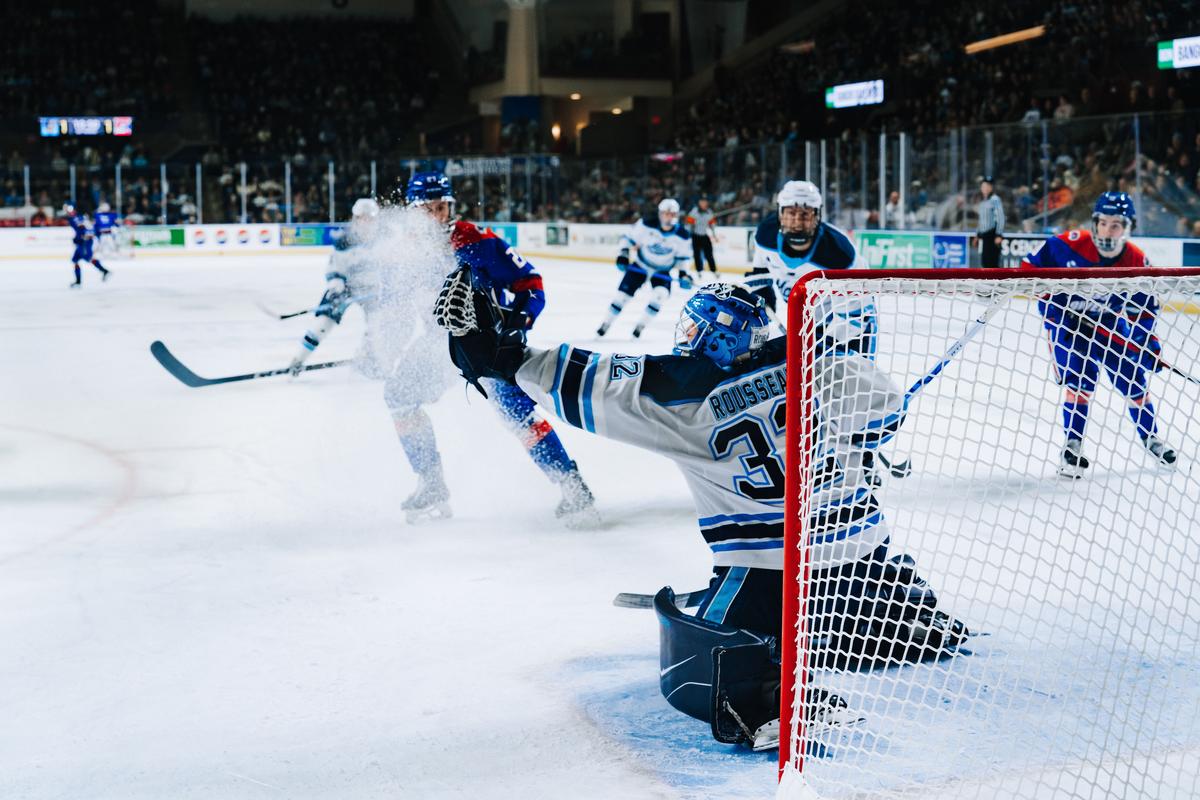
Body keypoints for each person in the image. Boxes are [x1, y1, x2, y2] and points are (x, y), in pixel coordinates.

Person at [437, 279, 969, 748]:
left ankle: (773, 700)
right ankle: (909, 615)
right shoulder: (821, 360)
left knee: (702, 671)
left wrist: (495, 353)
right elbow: (883, 421)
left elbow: (570, 379)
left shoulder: (682, 397)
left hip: (771, 576)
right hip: (865, 561)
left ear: (709, 336)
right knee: (896, 619)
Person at [409, 171, 599, 525]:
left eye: (441, 207)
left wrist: (517, 326)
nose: (436, 215)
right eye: (427, 209)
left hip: (483, 346)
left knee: (516, 413)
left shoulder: (474, 239)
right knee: (400, 396)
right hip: (437, 348)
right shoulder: (405, 248)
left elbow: (531, 283)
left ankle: (572, 486)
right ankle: (431, 484)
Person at [289, 196, 457, 522]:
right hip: (349, 290)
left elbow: (397, 282)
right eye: (361, 218)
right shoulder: (345, 239)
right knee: (324, 320)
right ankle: (299, 356)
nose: (366, 222)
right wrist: (337, 286)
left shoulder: (387, 238)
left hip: (376, 296)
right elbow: (335, 269)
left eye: (370, 217)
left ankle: (372, 355)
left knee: (379, 327)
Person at [1021, 191, 1177, 477]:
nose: (1107, 230)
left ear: (1127, 227)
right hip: (1068, 325)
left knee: (1133, 380)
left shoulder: (1135, 258)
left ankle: (1151, 437)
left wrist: (1147, 344)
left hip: (1108, 323)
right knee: (1081, 380)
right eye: (1102, 222)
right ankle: (1072, 445)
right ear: (1093, 222)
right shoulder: (1066, 245)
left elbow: (1144, 309)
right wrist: (1055, 310)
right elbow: (1029, 270)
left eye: (1115, 224)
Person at [745, 180, 876, 356]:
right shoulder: (765, 234)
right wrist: (763, 297)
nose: (797, 222)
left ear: (817, 216)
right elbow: (759, 272)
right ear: (780, 213)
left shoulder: (840, 253)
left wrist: (821, 347)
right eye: (791, 213)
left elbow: (856, 317)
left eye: (805, 214)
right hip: (804, 325)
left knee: (852, 382)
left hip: (850, 330)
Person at [595, 198, 695, 339]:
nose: (669, 216)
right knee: (621, 297)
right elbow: (628, 238)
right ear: (660, 214)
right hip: (641, 265)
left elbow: (683, 258)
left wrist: (684, 274)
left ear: (677, 215)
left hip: (662, 271)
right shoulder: (645, 225)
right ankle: (605, 324)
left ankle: (639, 328)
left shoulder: (683, 235)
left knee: (659, 296)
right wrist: (623, 254)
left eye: (672, 214)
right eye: (666, 213)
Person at [65, 203, 110, 288]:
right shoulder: (76, 218)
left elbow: (87, 229)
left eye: (69, 209)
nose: (68, 211)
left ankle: (104, 271)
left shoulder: (78, 218)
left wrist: (84, 237)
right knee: (75, 260)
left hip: (84, 243)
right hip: (81, 243)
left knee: (89, 259)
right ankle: (78, 282)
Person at [975, 176, 1005, 268]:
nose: (986, 188)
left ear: (992, 187)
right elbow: (982, 220)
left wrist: (998, 234)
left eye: (988, 186)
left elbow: (1000, 217)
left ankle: (996, 282)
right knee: (985, 262)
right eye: (984, 186)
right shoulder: (983, 201)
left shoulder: (995, 199)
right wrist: (977, 234)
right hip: (984, 236)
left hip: (992, 235)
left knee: (992, 264)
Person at [686, 197, 719, 274]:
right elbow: (688, 224)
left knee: (709, 254)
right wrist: (688, 234)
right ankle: (699, 270)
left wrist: (714, 235)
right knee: (696, 254)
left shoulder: (709, 212)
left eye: (705, 202)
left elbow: (712, 225)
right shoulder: (694, 212)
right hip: (695, 236)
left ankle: (714, 270)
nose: (704, 203)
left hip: (704, 235)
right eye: (702, 202)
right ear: (699, 203)